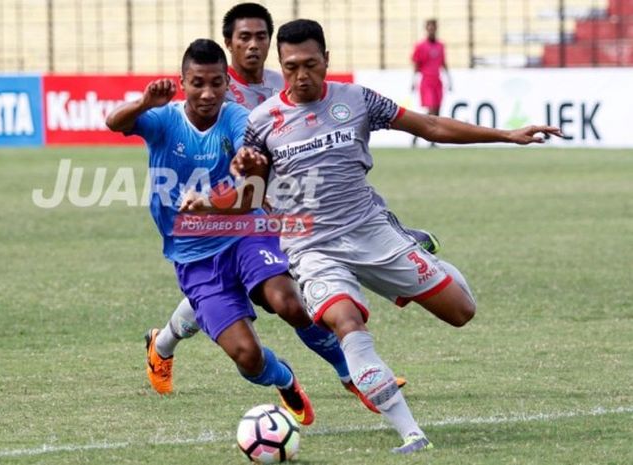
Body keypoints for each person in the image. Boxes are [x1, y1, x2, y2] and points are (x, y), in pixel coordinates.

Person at [230, 19, 562, 454]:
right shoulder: (261, 123)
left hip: (372, 233)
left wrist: (506, 135)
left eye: (310, 64)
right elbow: (246, 199)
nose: (301, 75)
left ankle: (415, 245)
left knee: (461, 311)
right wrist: (248, 176)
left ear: (327, 61)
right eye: (291, 67)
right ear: (282, 65)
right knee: (345, 321)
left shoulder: (357, 100)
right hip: (312, 249)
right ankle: (411, 433)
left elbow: (430, 127)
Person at [146, 2, 437, 402]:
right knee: (234, 294)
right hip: (227, 212)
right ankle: (162, 344)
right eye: (243, 37)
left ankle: (349, 371)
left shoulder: (280, 81)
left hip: (267, 211)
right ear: (228, 43)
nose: (253, 45)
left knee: (286, 299)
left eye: (261, 36)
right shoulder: (216, 90)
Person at [104, 39, 318, 425]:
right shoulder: (164, 119)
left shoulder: (235, 115)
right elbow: (113, 122)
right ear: (182, 82)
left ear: (225, 83)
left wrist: (246, 162)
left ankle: (355, 373)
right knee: (249, 358)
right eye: (198, 83)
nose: (208, 93)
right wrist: (143, 103)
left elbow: (244, 147)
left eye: (216, 83)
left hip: (243, 231)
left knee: (287, 302)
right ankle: (284, 379)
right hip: (193, 255)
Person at [411, 19, 452, 147]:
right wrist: (413, 80)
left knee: (437, 111)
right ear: (426, 29)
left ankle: (432, 140)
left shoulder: (441, 45)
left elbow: (444, 63)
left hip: (437, 81)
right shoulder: (420, 46)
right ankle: (417, 134)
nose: (431, 30)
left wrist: (449, 79)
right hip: (426, 80)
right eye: (429, 27)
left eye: (433, 27)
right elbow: (416, 65)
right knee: (431, 110)